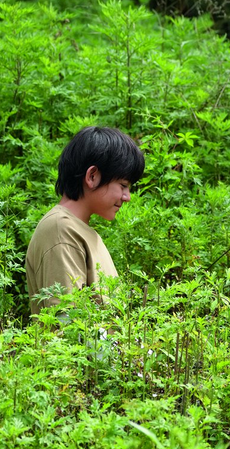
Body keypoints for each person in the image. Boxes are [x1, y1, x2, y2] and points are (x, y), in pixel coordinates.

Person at [25, 126, 145, 315]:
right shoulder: (60, 230)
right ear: (92, 176)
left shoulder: (79, 230)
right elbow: (67, 325)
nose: (127, 196)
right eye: (123, 186)